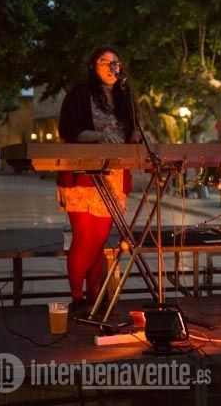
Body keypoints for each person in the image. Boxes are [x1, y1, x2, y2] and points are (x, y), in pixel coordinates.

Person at [57, 46, 137, 318]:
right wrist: (98, 136)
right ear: (93, 66)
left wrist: (136, 138)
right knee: (84, 238)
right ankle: (77, 299)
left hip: (114, 173)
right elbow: (68, 129)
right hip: (83, 171)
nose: (111, 66)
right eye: (104, 62)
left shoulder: (125, 96)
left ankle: (95, 297)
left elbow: (130, 132)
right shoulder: (80, 93)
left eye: (115, 62)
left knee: (100, 240)